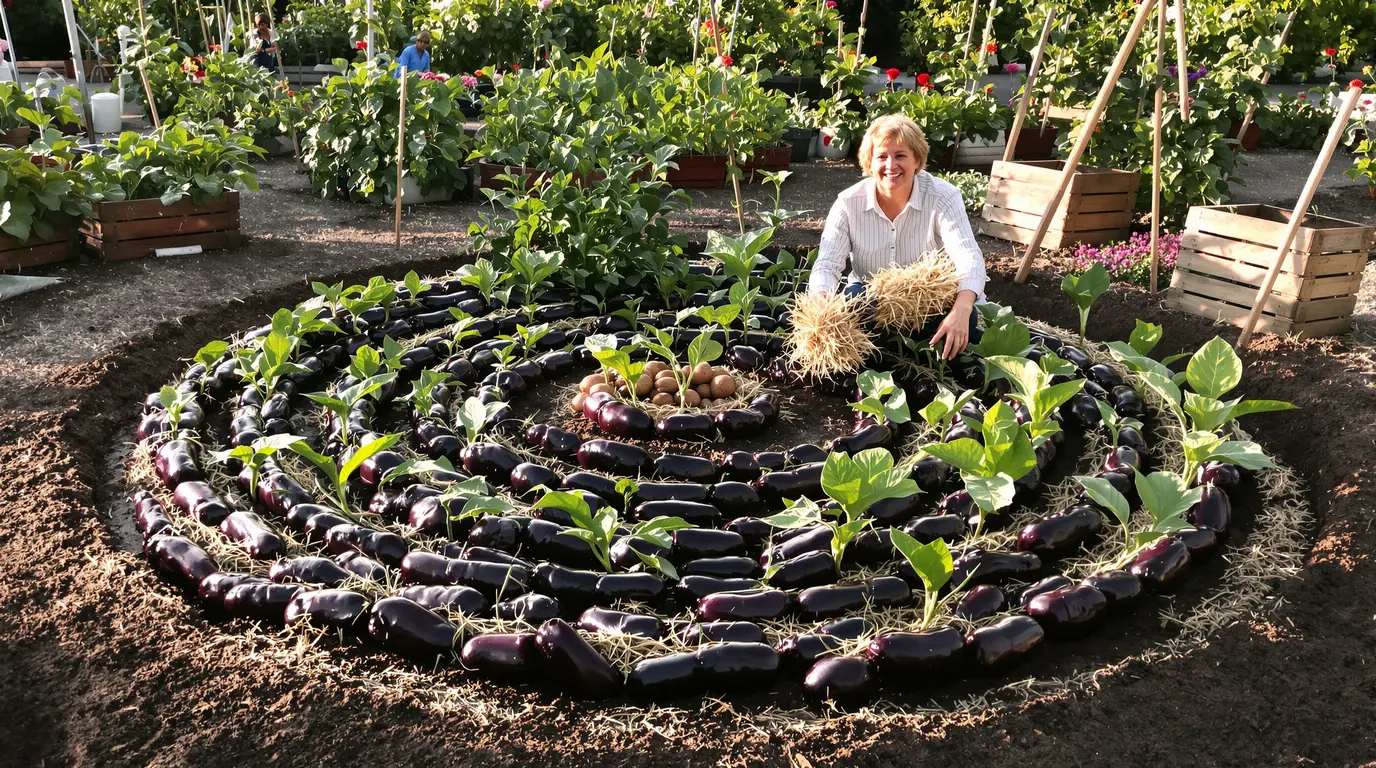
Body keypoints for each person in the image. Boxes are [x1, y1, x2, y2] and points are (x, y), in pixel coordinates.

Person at [807, 114, 988, 360]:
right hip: (870, 299)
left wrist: (962, 309)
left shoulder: (943, 197)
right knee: (851, 313)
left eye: (900, 155)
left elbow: (968, 256)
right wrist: (820, 307)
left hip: (928, 301)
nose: (891, 166)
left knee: (966, 321)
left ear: (917, 160)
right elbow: (827, 265)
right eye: (882, 156)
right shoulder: (848, 203)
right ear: (870, 162)